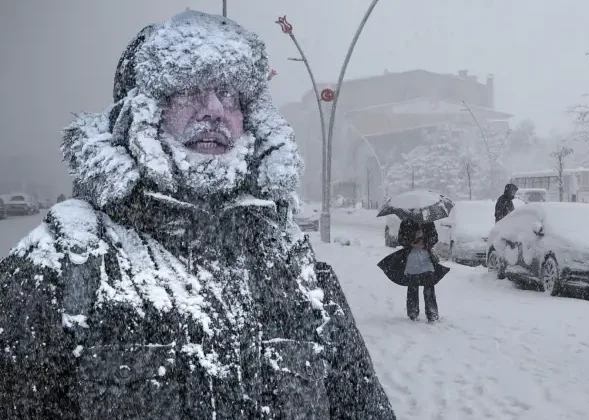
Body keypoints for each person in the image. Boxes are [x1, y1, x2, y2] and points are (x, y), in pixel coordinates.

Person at [0, 11, 396, 420]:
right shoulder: (64, 264)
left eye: (230, 95)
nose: (214, 110)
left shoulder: (294, 266)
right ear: (141, 113)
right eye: (188, 90)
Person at [378, 218, 449, 322]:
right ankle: (412, 311)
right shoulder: (406, 222)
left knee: (429, 284)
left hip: (426, 257)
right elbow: (401, 239)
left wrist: (425, 243)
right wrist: (411, 242)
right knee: (413, 284)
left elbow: (434, 238)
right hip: (410, 257)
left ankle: (432, 311)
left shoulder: (428, 222)